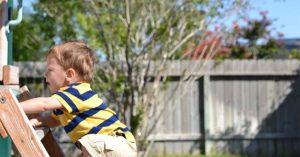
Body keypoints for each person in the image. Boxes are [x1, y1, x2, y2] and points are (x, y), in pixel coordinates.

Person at [20, 41, 137, 157]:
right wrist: (36, 121)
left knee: (89, 143)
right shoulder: (67, 102)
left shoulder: (76, 91)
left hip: (117, 143)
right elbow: (54, 120)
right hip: (111, 145)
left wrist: (15, 106)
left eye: (50, 70)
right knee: (88, 145)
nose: (45, 74)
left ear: (69, 74)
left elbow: (44, 104)